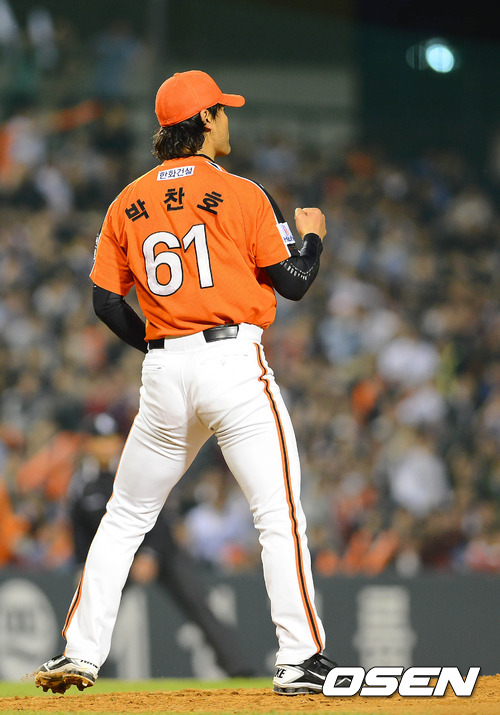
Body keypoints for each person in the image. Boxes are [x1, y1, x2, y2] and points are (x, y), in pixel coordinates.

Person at [35, 69, 340, 696]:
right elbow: (294, 283)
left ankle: (80, 653)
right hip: (232, 364)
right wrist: (312, 238)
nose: (228, 118)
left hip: (164, 374)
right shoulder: (241, 193)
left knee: (124, 516)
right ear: (204, 119)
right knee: (277, 513)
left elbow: (104, 302)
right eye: (222, 110)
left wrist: (160, 344)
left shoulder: (126, 202)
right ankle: (300, 658)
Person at [69, 412, 255, 678]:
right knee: (93, 605)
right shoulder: (81, 483)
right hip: (118, 555)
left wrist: (150, 553)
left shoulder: (133, 466)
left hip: (160, 548)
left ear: (119, 441)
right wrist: (82, 565)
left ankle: (239, 669)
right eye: (99, 440)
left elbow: (161, 511)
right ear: (88, 444)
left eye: (110, 439)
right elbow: (80, 529)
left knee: (197, 603)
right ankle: (85, 668)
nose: (105, 446)